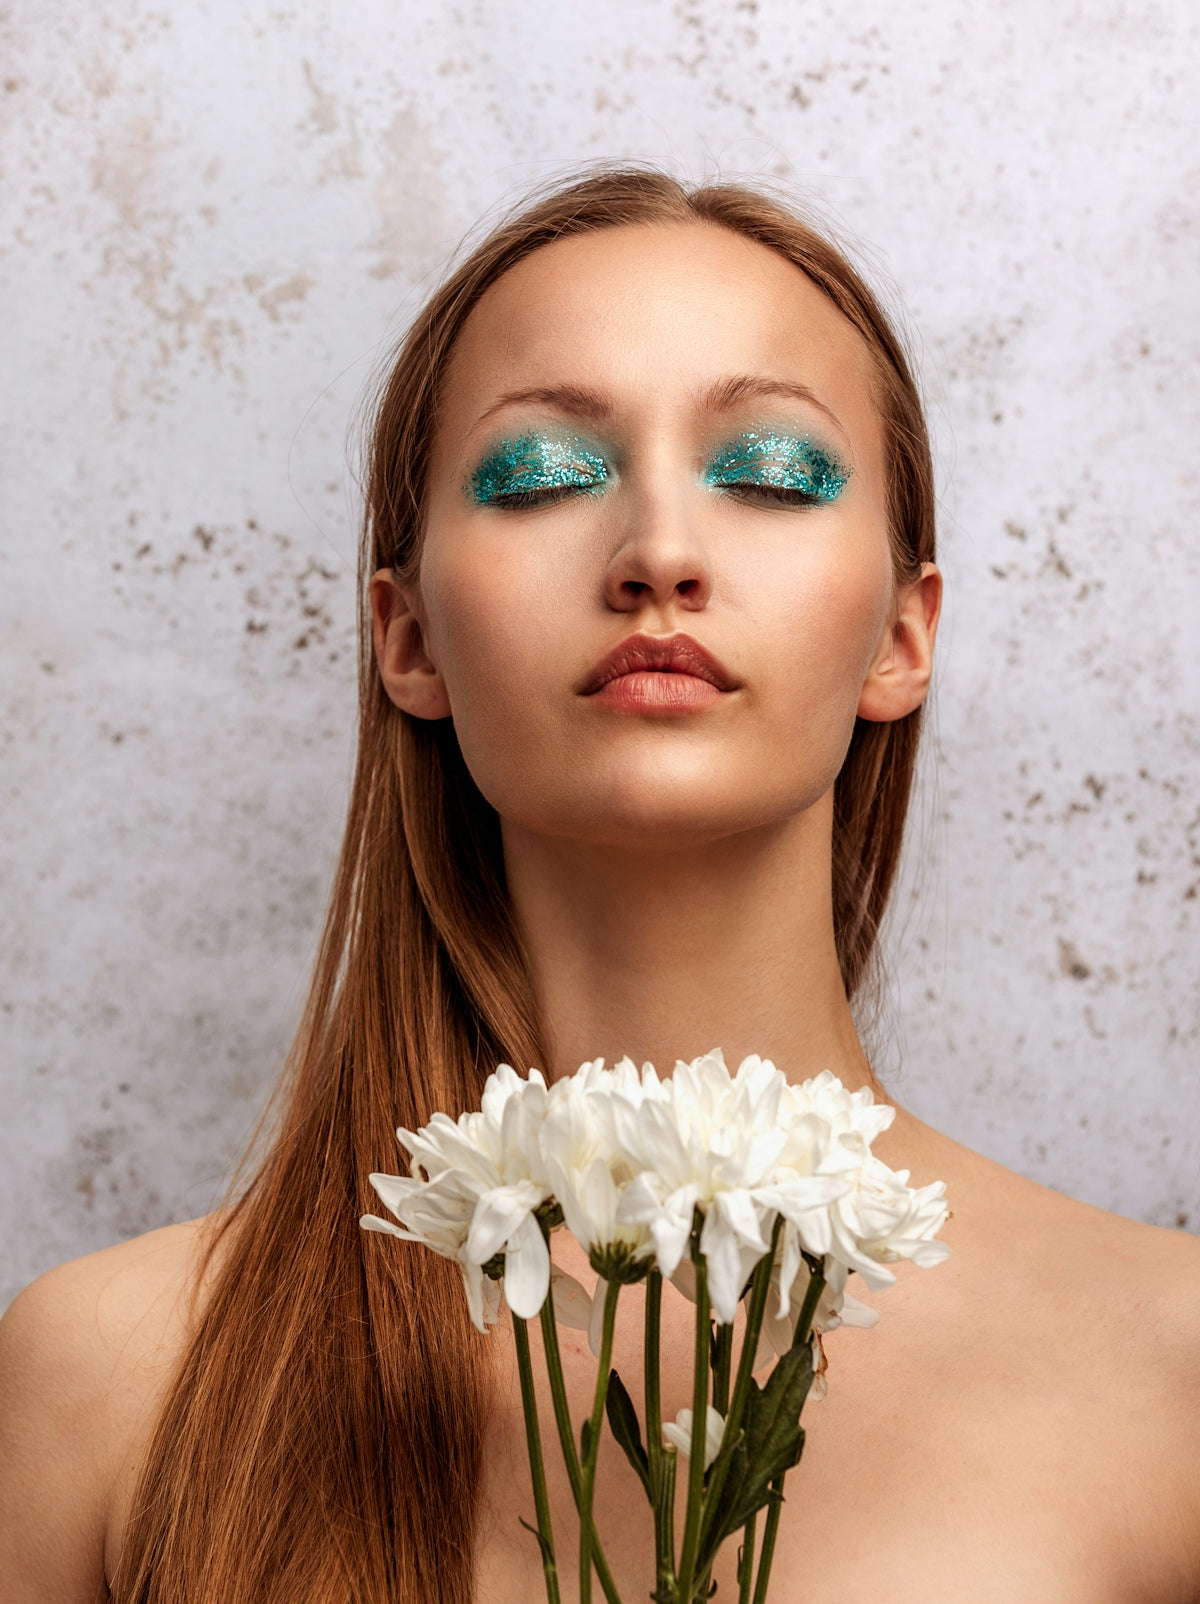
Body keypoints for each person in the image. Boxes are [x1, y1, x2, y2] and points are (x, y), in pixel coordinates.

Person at [1, 166, 1197, 1604]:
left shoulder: (1170, 1372)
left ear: (900, 632)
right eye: (544, 478)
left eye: (771, 475)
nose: (660, 555)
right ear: (408, 639)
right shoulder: (109, 1385)